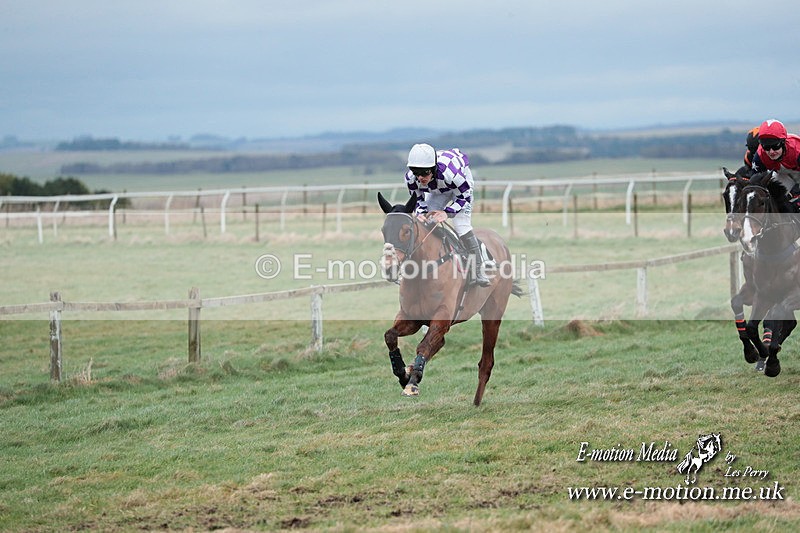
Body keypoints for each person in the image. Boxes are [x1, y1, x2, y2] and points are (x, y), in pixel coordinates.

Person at [404, 143, 493, 286]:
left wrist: (447, 213)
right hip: (438, 189)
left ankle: (478, 269)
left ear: (433, 168)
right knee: (427, 222)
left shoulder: (451, 174)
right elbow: (418, 200)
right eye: (416, 173)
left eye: (425, 173)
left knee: (461, 226)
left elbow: (465, 198)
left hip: (460, 190)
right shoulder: (411, 179)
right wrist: (421, 213)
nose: (420, 178)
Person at [750, 119, 800, 211]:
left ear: (784, 142)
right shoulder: (760, 155)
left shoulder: (797, 150)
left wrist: (795, 194)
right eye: (766, 147)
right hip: (782, 174)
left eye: (775, 146)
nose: (771, 151)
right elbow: (755, 184)